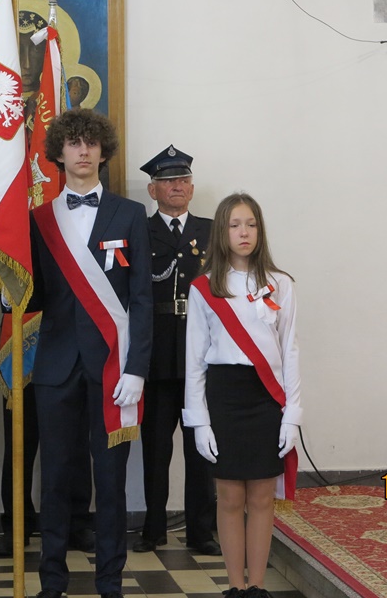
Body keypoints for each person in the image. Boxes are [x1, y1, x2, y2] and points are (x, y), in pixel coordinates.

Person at [28, 108, 152, 598]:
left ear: (103, 152)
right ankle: (52, 581)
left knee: (112, 482)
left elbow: (142, 299)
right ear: (58, 153)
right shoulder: (39, 219)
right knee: (55, 480)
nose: (83, 151)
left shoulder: (130, 214)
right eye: (73, 143)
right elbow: (31, 295)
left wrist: (137, 369)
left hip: (113, 368)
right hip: (55, 368)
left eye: (91, 143)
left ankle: (110, 582)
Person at [183, 194, 301, 598]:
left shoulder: (281, 284)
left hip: (266, 395)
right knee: (230, 496)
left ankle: (256, 587)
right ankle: (235, 586)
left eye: (250, 224)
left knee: (262, 495)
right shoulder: (204, 288)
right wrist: (199, 420)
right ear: (222, 231)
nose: (244, 232)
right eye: (235, 225)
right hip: (224, 396)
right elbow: (194, 360)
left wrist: (293, 414)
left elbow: (290, 351)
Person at [0, 259, 96, 558]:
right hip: (20, 337)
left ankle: (76, 522)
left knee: (74, 438)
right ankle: (16, 524)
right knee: (19, 441)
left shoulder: (71, 225)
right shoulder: (9, 225)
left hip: (68, 331)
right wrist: (10, 293)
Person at [134, 146, 219, 556]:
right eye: (168, 181)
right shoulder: (140, 230)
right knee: (155, 449)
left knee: (201, 447)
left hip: (200, 355)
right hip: (157, 354)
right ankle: (153, 529)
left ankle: (201, 531)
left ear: (192, 187)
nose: (177, 187)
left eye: (183, 180)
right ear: (153, 190)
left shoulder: (211, 230)